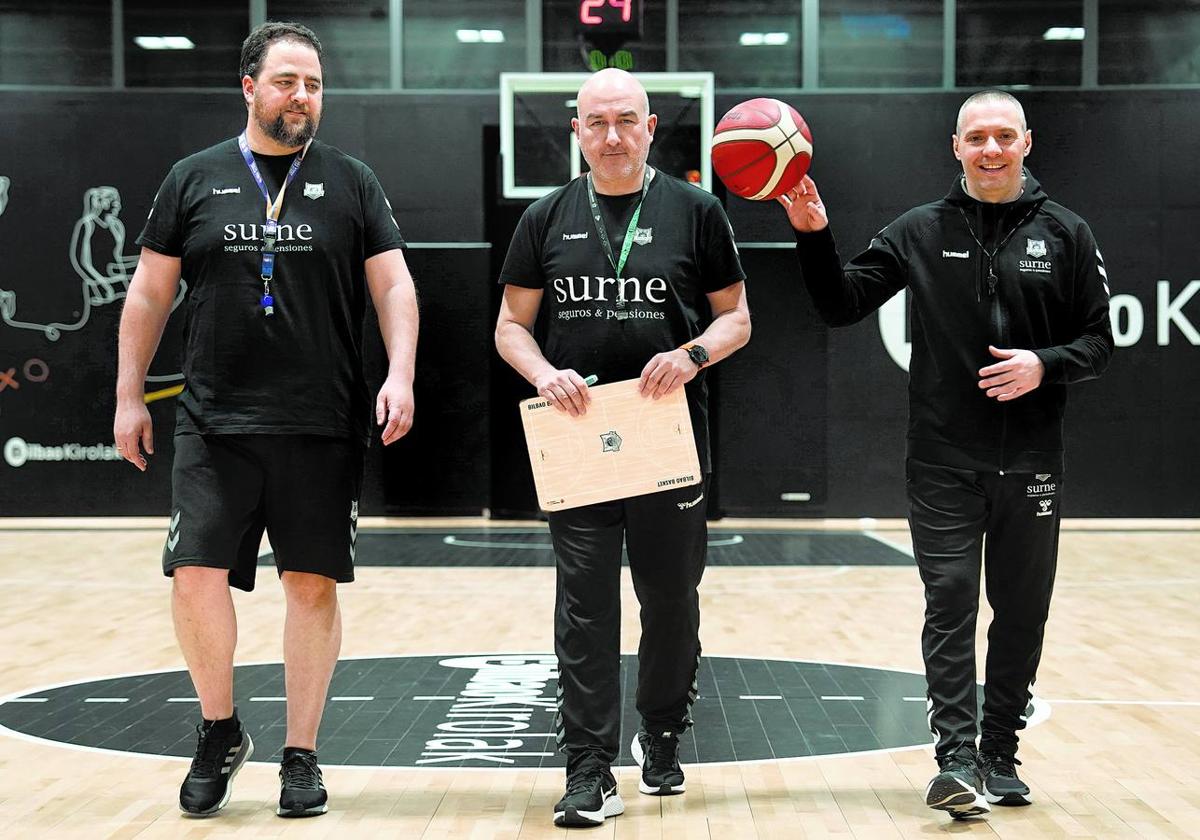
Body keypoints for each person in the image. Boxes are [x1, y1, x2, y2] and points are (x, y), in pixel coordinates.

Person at [112, 21, 417, 819]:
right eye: (286, 81)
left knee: (309, 585)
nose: (302, 97)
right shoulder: (194, 178)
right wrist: (127, 393)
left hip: (320, 420)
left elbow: (394, 288)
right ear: (249, 86)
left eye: (313, 84)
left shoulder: (351, 180)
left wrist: (402, 373)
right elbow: (147, 293)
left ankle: (302, 755)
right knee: (195, 574)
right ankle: (219, 730)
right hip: (216, 422)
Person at [781, 90, 1113, 819]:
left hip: (1032, 462)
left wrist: (1042, 364)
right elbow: (840, 304)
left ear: (1027, 142)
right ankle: (955, 757)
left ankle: (1000, 751)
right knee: (952, 600)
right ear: (954, 146)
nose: (990, 149)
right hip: (941, 460)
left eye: (1003, 136)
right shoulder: (919, 231)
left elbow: (1099, 343)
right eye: (976, 138)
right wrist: (813, 235)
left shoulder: (1067, 233)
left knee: (1021, 612)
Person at [495, 68, 750, 827]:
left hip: (666, 437)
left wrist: (692, 355)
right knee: (584, 607)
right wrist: (542, 371)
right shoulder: (544, 216)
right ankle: (588, 768)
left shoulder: (697, 212)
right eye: (596, 121)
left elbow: (736, 319)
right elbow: (509, 327)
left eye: (625, 121)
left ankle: (664, 732)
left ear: (650, 127)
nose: (611, 135)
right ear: (576, 130)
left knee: (669, 599)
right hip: (578, 437)